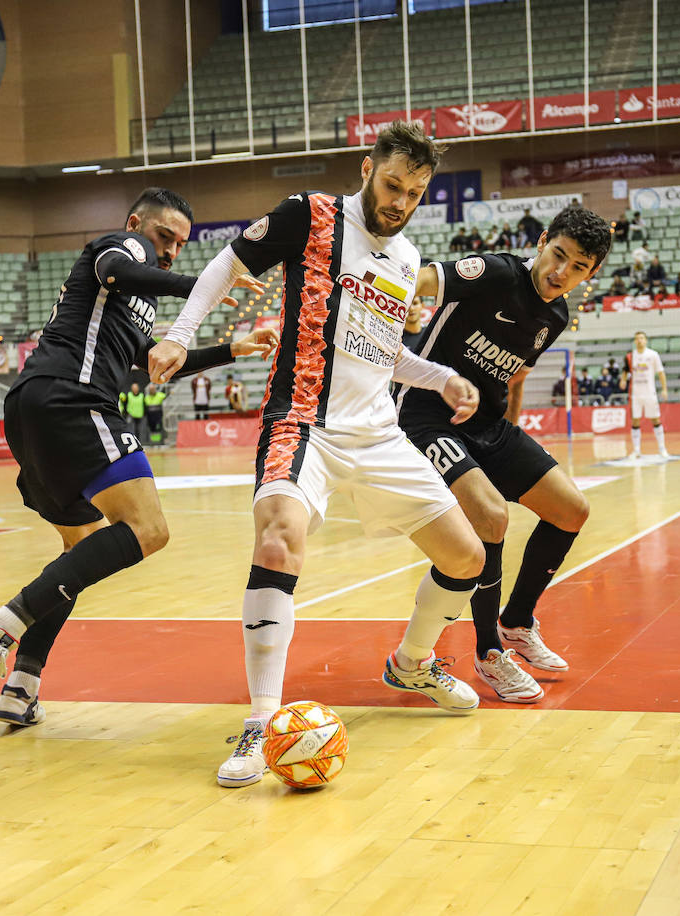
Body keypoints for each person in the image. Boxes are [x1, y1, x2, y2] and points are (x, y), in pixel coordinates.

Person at [146, 122, 488, 788]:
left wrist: (440, 377)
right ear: (368, 168)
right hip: (303, 420)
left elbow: (383, 352)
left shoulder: (407, 257)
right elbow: (228, 264)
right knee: (277, 541)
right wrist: (183, 336)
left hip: (380, 432)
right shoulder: (312, 215)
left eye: (415, 192)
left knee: (466, 557)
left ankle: (413, 662)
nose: (401, 202)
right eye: (393, 185)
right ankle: (262, 720)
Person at [0, 187, 272, 729]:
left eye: (180, 244)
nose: (169, 250)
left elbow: (151, 364)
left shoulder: (129, 302)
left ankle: (22, 684)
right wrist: (203, 286)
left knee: (78, 548)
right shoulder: (122, 249)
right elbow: (118, 268)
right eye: (164, 235)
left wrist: (229, 352)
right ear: (137, 223)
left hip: (36, 407)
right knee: (148, 528)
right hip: (71, 398)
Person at [399, 204, 611, 702]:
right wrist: (391, 313)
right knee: (492, 518)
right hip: (424, 415)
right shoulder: (495, 272)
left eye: (578, 267)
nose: (562, 273)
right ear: (541, 243)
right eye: (558, 255)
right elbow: (418, 280)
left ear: (591, 273)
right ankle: (489, 652)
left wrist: (510, 437)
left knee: (571, 510)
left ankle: (517, 622)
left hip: (488, 424)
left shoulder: (556, 315)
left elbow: (515, 374)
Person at [620, 332, 669, 460]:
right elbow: (625, 370)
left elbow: (661, 373)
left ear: (646, 340)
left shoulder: (653, 355)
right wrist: (623, 380)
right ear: (635, 341)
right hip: (635, 394)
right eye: (637, 338)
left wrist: (664, 389)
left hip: (650, 393)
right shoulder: (630, 356)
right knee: (635, 421)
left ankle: (662, 448)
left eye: (641, 338)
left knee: (656, 420)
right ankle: (636, 451)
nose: (639, 340)